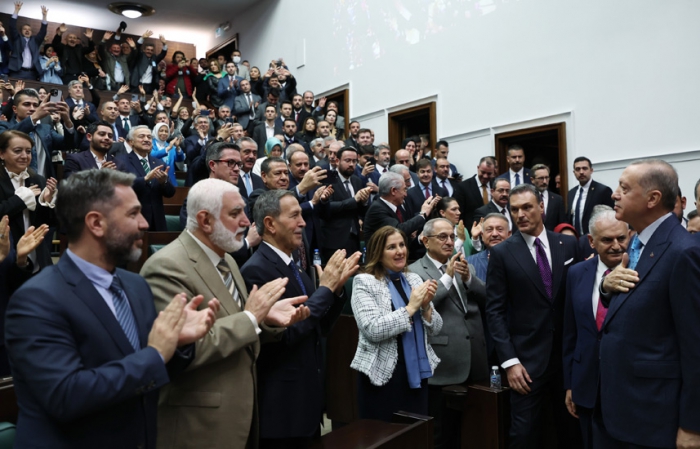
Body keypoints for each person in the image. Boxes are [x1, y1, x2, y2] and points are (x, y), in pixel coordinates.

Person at [4, 169, 218, 448]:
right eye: (133, 214)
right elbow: (65, 396)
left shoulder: (135, 285)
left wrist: (176, 344)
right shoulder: (37, 299)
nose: (144, 223)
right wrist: (155, 353)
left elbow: (147, 378)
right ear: (96, 223)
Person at [142, 178, 310, 448]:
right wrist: (251, 317)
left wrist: (264, 318)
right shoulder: (166, 267)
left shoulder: (228, 259)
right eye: (235, 213)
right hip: (198, 426)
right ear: (205, 220)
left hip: (240, 414)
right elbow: (181, 350)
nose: (246, 221)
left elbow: (240, 327)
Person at [240, 189, 360, 448]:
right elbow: (288, 333)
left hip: (306, 401)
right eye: (294, 216)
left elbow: (318, 326)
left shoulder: (294, 267)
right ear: (270, 224)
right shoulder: (256, 271)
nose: (303, 223)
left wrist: (335, 291)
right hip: (282, 410)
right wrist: (325, 289)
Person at [595, 159, 700, 448]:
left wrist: (693, 425)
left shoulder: (683, 252)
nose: (614, 194)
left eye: (624, 188)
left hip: (655, 416)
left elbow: (695, 346)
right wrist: (606, 288)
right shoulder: (638, 243)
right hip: (623, 408)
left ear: (652, 199)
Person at [486, 183, 580, 448]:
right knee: (524, 435)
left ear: (541, 207)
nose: (520, 214)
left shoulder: (568, 244)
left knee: (571, 431)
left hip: (567, 360)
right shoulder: (503, 252)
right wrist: (510, 362)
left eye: (527, 207)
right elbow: (495, 311)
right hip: (526, 364)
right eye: (514, 209)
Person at [409, 218, 487, 448]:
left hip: (475, 358)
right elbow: (422, 306)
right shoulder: (415, 271)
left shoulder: (465, 265)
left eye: (452, 237)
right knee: (443, 435)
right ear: (425, 241)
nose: (449, 242)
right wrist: (447, 278)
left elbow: (487, 298)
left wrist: (468, 278)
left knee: (476, 431)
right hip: (444, 363)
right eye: (442, 237)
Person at [351, 226, 442, 421]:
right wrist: (410, 308)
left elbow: (436, 328)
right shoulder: (364, 282)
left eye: (402, 245)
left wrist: (426, 307)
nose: (400, 251)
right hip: (382, 377)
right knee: (385, 434)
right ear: (378, 253)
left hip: (417, 373)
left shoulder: (413, 278)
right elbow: (372, 329)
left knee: (416, 433)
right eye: (391, 247)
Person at [562, 205, 629, 449]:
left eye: (621, 238)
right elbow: (571, 332)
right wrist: (570, 384)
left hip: (628, 387)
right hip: (586, 385)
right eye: (607, 240)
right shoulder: (576, 273)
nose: (616, 246)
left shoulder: (641, 270)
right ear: (591, 241)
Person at [0, 129, 57, 270]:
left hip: (37, 254)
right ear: (2, 154)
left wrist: (46, 202)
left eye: (28, 151)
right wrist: (20, 200)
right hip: (6, 255)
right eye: (17, 151)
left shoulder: (38, 179)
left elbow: (47, 223)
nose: (24, 156)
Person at [116, 125, 175, 231]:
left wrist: (164, 182)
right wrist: (145, 179)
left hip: (157, 221)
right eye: (141, 136)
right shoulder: (121, 161)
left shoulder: (159, 163)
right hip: (132, 218)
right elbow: (121, 188)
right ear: (131, 142)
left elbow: (170, 193)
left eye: (149, 137)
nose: (146, 139)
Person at [320, 146, 371, 262]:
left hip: (354, 237)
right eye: (347, 160)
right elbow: (328, 207)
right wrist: (354, 200)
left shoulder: (356, 180)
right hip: (334, 240)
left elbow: (360, 211)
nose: (351, 164)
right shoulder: (328, 178)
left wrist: (364, 202)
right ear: (337, 161)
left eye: (354, 161)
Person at [363, 171, 438, 245]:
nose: (406, 194)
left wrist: (419, 239)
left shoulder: (396, 208)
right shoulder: (377, 209)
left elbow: (405, 241)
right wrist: (423, 214)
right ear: (393, 191)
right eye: (404, 189)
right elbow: (398, 231)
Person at [566, 156, 614, 235]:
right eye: (578, 169)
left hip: (595, 237)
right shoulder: (571, 193)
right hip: (575, 238)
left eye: (584, 168)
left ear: (591, 170)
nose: (581, 172)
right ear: (574, 172)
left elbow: (611, 217)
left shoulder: (603, 191)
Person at [453, 156, 496, 230]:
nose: (485, 176)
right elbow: (460, 214)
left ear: (493, 171)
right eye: (483, 172)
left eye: (489, 173)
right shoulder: (463, 187)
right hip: (472, 231)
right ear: (478, 168)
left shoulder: (496, 186)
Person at [8, 2, 48, 80]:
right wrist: (16, 11)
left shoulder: (35, 41)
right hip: (17, 72)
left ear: (31, 32)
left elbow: (43, 32)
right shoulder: (17, 38)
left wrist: (44, 16)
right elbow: (12, 27)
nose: (27, 31)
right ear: (21, 31)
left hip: (31, 73)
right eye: (25, 29)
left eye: (29, 30)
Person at [530, 163, 566, 231]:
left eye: (546, 178)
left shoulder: (557, 199)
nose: (544, 181)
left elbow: (562, 224)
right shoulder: (528, 198)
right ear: (532, 180)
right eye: (541, 178)